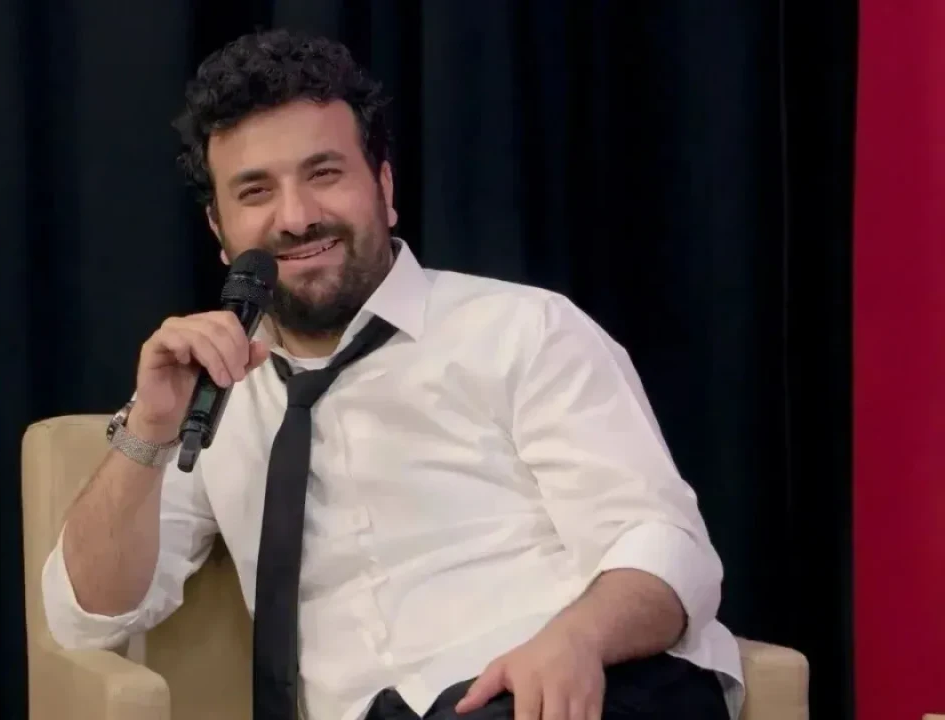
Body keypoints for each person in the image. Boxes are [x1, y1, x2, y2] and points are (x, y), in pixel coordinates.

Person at [42, 28, 744, 720]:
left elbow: (667, 548)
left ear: (383, 185)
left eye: (324, 174)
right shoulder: (207, 393)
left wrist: (577, 641)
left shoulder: (524, 329)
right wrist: (149, 432)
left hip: (569, 691)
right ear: (220, 233)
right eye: (255, 192)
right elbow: (87, 617)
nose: (297, 217)